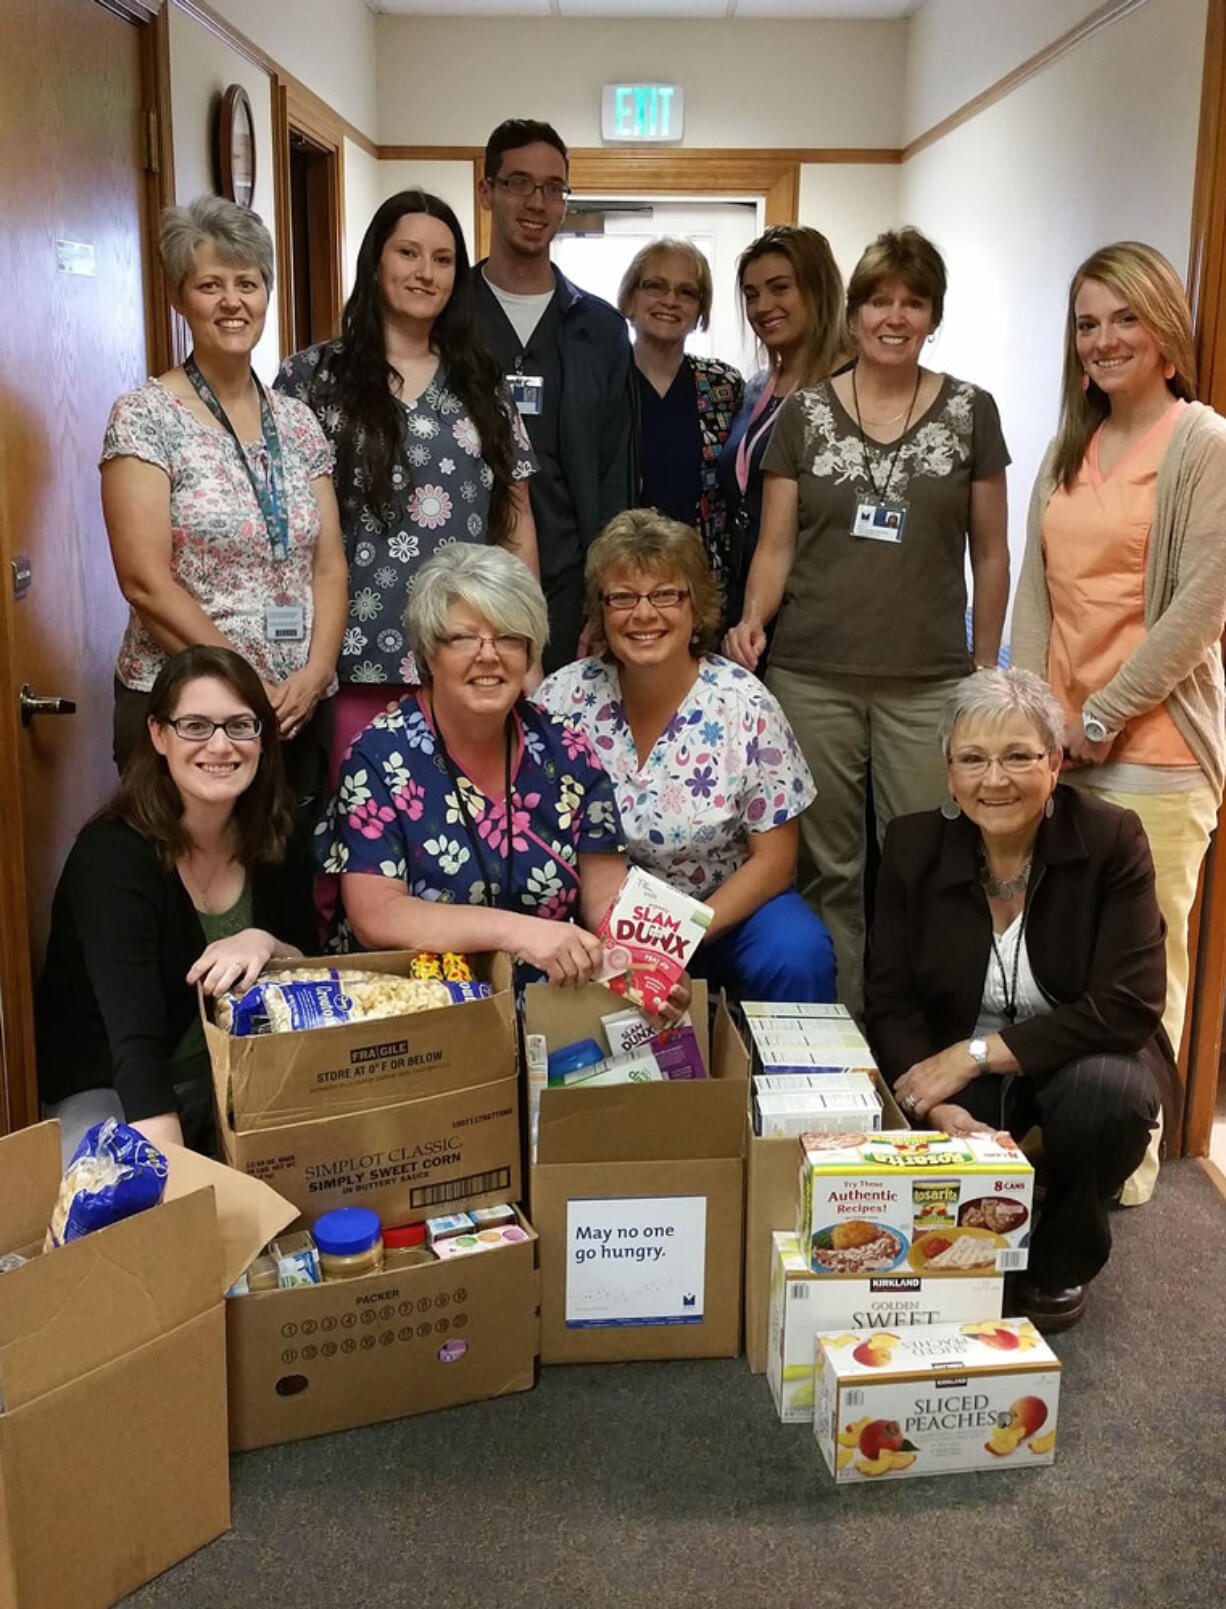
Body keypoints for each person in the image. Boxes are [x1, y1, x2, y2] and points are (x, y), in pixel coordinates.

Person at [725, 227, 1011, 1016]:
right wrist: (754, 620)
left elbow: (991, 554)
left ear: (932, 315)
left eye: (912, 302)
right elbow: (776, 547)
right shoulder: (806, 415)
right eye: (880, 300)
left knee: (926, 864)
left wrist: (985, 670)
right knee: (829, 875)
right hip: (811, 679)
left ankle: (918, 1040)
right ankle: (838, 1044)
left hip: (928, 685)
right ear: (854, 314)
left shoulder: (970, 412)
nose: (895, 317)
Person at [1012, 241, 1226, 1204]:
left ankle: (1128, 1162)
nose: (1103, 340)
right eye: (1088, 323)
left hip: (1154, 751)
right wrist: (1027, 714)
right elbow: (1034, 592)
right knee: (1061, 952)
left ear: (1166, 329)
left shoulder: (1202, 443)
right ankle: (1064, 1123)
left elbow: (1201, 604)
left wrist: (1103, 710)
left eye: (1124, 318)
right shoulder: (1068, 448)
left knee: (1146, 965)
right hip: (1060, 749)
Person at [864, 669, 1173, 1333]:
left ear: (1056, 763)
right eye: (972, 758)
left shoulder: (1113, 839)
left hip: (1078, 1054)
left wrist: (978, 1055)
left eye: (1018, 756)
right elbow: (889, 999)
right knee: (907, 1125)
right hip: (953, 1060)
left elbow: (1130, 1002)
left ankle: (1060, 1257)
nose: (994, 779)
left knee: (1108, 1099)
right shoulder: (913, 845)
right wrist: (939, 1099)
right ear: (948, 773)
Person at [102, 196, 347, 839]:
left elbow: (328, 565)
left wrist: (317, 673)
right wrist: (244, 687)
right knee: (181, 886)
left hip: (293, 708)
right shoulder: (145, 415)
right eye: (210, 285)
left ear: (268, 292)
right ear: (181, 299)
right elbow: (145, 581)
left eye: (248, 283)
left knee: (284, 891)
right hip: (187, 711)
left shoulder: (297, 419)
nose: (232, 301)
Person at [276, 189, 538, 782]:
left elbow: (515, 523)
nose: (425, 273)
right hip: (347, 659)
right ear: (376, 262)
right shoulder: (311, 380)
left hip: (468, 654)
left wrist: (528, 648)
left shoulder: (483, 384)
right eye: (408, 253)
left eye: (443, 260)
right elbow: (283, 525)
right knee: (358, 836)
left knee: (457, 836)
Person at [536, 509, 836, 1003]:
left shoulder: (746, 703)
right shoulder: (561, 700)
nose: (644, 614)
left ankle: (798, 1077)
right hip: (596, 918)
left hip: (727, 912)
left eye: (666, 595)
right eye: (623, 598)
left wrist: (674, 942)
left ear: (696, 606)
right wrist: (625, 949)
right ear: (601, 611)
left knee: (798, 952)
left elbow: (776, 862)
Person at [37, 647, 316, 1163]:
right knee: (123, 1195)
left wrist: (265, 942)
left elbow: (315, 980)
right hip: (113, 1090)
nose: (220, 745)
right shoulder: (113, 856)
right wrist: (183, 1198)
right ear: (158, 735)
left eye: (240, 725)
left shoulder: (278, 833)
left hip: (234, 1079)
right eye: (194, 725)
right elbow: (135, 1052)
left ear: (263, 738)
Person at [324, 543, 641, 992]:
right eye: (463, 638)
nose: (488, 655)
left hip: (552, 1004)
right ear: (429, 653)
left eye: (509, 636)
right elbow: (378, 915)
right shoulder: (379, 756)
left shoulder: (566, 748)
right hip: (418, 1007)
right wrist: (521, 933)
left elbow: (607, 897)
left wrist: (649, 970)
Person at [471, 119, 635, 670]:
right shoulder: (449, 317)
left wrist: (605, 598)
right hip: (461, 584)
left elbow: (616, 476)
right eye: (518, 182)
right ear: (487, 190)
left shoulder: (600, 330)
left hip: (570, 593)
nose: (536, 202)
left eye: (553, 187)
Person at [715, 225, 847, 627]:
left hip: (816, 608)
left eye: (780, 288)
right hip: (749, 602)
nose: (762, 306)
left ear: (817, 289)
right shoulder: (756, 388)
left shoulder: (851, 389)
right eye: (752, 295)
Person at [617, 240, 743, 606]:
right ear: (629, 298)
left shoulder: (723, 385)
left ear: (700, 309)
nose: (670, 300)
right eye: (655, 285)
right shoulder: (603, 382)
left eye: (687, 292)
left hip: (702, 583)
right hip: (622, 582)